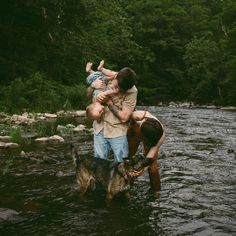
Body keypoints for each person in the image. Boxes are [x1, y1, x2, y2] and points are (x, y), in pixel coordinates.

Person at [87, 60, 138, 163]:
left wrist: (109, 103)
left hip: (117, 131)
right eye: (118, 87)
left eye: (123, 90)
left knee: (122, 166)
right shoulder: (107, 76)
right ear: (116, 77)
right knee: (99, 167)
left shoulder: (132, 91)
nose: (119, 90)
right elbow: (88, 94)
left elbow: (124, 118)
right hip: (99, 129)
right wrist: (92, 86)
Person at [127, 110, 165, 192]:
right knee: (128, 159)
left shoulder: (159, 137)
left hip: (149, 137)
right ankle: (127, 186)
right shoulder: (137, 115)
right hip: (133, 133)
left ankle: (156, 191)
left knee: (152, 166)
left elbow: (149, 158)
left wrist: (142, 168)